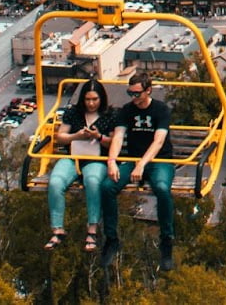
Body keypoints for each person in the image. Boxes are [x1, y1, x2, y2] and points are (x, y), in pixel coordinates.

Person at [100, 73, 177, 270]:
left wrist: (142, 164)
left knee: (161, 188)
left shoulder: (161, 110)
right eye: (130, 93)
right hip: (133, 160)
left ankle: (166, 240)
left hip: (159, 160)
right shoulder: (126, 111)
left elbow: (158, 141)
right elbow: (118, 137)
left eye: (136, 93)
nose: (133, 97)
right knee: (108, 187)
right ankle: (111, 238)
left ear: (148, 90)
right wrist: (112, 161)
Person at [44, 80, 115, 253]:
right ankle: (57, 228)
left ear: (101, 99)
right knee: (55, 182)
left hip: (96, 159)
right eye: (87, 99)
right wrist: (76, 136)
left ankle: (92, 229)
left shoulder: (109, 115)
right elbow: (61, 137)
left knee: (92, 181)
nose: (91, 103)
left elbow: (113, 143)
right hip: (73, 157)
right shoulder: (73, 113)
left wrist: (98, 137)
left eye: (95, 99)